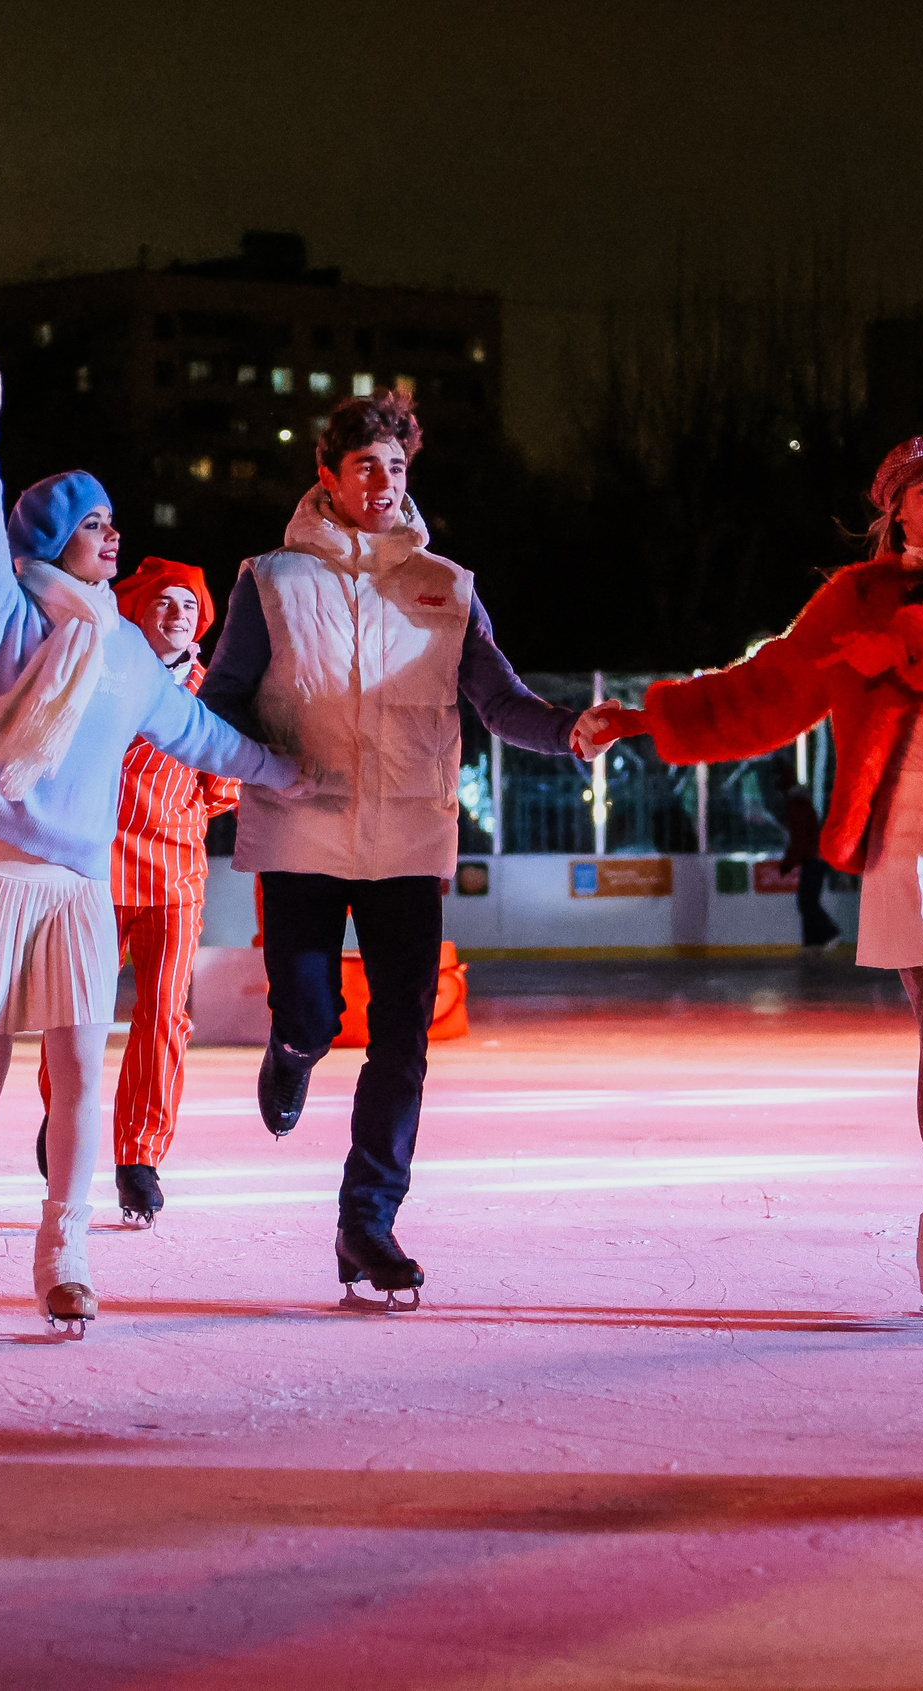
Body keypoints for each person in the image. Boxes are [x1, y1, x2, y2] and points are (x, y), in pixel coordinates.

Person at [591, 433, 923, 1321]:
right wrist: (651, 719)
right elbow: (769, 688)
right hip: (908, 832)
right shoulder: (853, 599)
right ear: (893, 509)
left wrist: (900, 641)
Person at [0, 341, 307, 1331]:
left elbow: (204, 737)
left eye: (114, 522)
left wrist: (293, 772)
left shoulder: (125, 653)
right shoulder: (8, 616)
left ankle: (63, 1250)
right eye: (94, 524)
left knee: (77, 1075)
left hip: (77, 885)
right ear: (52, 538)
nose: (113, 537)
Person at [198, 389, 621, 1305]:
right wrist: (259, 764)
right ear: (327, 474)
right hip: (302, 833)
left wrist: (571, 731)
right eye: (365, 466)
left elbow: (500, 701)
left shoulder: (446, 586)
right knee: (312, 1015)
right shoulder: (270, 580)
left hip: (408, 841)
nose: (383, 482)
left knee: (402, 1040)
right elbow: (221, 700)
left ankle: (368, 1221)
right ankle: (291, 1051)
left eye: (395, 466)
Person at [18, 558, 238, 1224]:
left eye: (189, 605)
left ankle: (139, 1157)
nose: (178, 615)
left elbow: (223, 788)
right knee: (73, 1009)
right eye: (164, 602)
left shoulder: (213, 690)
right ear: (136, 610)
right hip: (93, 871)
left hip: (174, 878)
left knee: (165, 1015)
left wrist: (174, 817)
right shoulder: (100, 672)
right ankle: (62, 1111)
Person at [779, 785, 841, 950]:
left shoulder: (796, 809)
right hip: (816, 859)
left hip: (812, 859)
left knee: (807, 902)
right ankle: (813, 942)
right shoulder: (805, 808)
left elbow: (799, 841)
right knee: (808, 901)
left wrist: (787, 864)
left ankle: (828, 933)